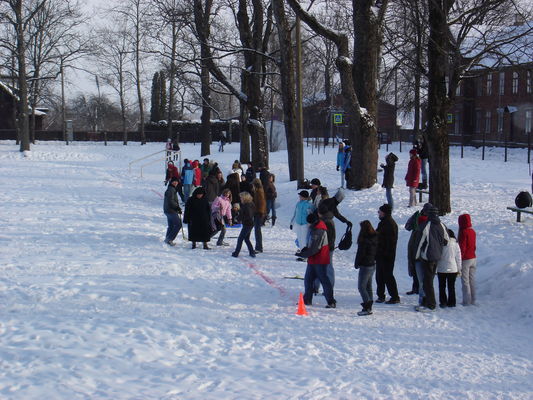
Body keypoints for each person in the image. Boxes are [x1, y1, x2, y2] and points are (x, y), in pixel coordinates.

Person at [297, 213, 336, 308]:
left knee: (324, 280)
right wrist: (306, 249)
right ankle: (307, 299)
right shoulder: (315, 228)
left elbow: (315, 248)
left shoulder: (319, 231)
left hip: (320, 260)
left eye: (309, 223)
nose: (308, 225)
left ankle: (331, 301)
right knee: (308, 280)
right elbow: (312, 245)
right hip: (313, 259)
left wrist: (304, 254)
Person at [413, 203, 447, 312]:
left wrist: (417, 256)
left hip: (427, 257)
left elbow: (420, 242)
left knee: (427, 281)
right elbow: (446, 240)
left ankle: (430, 304)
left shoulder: (426, 225)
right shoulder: (442, 225)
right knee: (429, 279)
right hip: (437, 256)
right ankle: (427, 301)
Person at [317, 188, 352, 289]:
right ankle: (329, 286)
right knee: (328, 265)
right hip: (328, 239)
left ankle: (316, 286)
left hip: (322, 236)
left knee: (318, 264)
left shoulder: (328, 203)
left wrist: (346, 221)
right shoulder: (331, 206)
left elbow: (337, 215)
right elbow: (338, 215)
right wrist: (346, 221)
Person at [375, 203, 400, 304]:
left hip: (387, 255)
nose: (378, 213)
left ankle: (394, 296)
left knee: (388, 276)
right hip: (382, 254)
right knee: (380, 276)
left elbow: (388, 241)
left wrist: (382, 252)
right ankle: (381, 295)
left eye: (380, 212)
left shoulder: (389, 224)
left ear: (384, 213)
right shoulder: (384, 223)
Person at [354, 220, 378, 316]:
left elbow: (360, 254)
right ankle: (369, 304)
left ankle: (367, 305)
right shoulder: (375, 238)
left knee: (361, 286)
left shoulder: (364, 240)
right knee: (368, 286)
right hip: (372, 264)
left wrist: (356, 263)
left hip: (365, 265)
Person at [437, 229, 462, 308]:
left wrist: (435, 269)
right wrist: (459, 269)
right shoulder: (455, 244)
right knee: (451, 286)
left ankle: (443, 302)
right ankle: (452, 302)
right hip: (452, 268)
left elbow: (437, 256)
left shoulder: (440, 244)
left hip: (441, 268)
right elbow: (458, 258)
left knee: (442, 286)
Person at [458, 213, 477, 306]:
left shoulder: (463, 232)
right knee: (472, 280)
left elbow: (462, 247)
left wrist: (459, 258)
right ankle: (473, 299)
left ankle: (466, 301)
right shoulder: (472, 231)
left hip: (465, 259)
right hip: (473, 257)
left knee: (465, 281)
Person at [232, 192, 256, 258]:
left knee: (240, 239)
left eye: (241, 197)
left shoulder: (247, 205)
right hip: (249, 223)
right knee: (246, 239)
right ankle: (252, 252)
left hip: (248, 224)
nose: (240, 199)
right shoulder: (250, 204)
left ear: (245, 198)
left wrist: (239, 219)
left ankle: (236, 253)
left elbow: (248, 215)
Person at [404, 210, 422, 296]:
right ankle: (416, 288)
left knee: (417, 270)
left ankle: (418, 289)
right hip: (415, 247)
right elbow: (407, 227)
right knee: (415, 269)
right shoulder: (417, 219)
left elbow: (407, 227)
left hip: (417, 249)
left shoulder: (420, 221)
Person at [163, 177, 182, 246]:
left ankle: (167, 239)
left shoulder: (171, 188)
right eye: (174, 181)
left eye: (176, 182)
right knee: (178, 224)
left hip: (168, 210)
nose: (175, 183)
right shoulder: (171, 189)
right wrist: (177, 208)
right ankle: (169, 239)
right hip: (171, 210)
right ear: (171, 182)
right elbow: (170, 201)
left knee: (171, 226)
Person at [251, 178, 266, 253]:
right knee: (257, 230)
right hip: (258, 212)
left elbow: (261, 203)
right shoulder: (258, 191)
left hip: (258, 213)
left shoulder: (259, 192)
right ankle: (258, 247)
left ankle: (259, 247)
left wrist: (260, 212)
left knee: (257, 230)